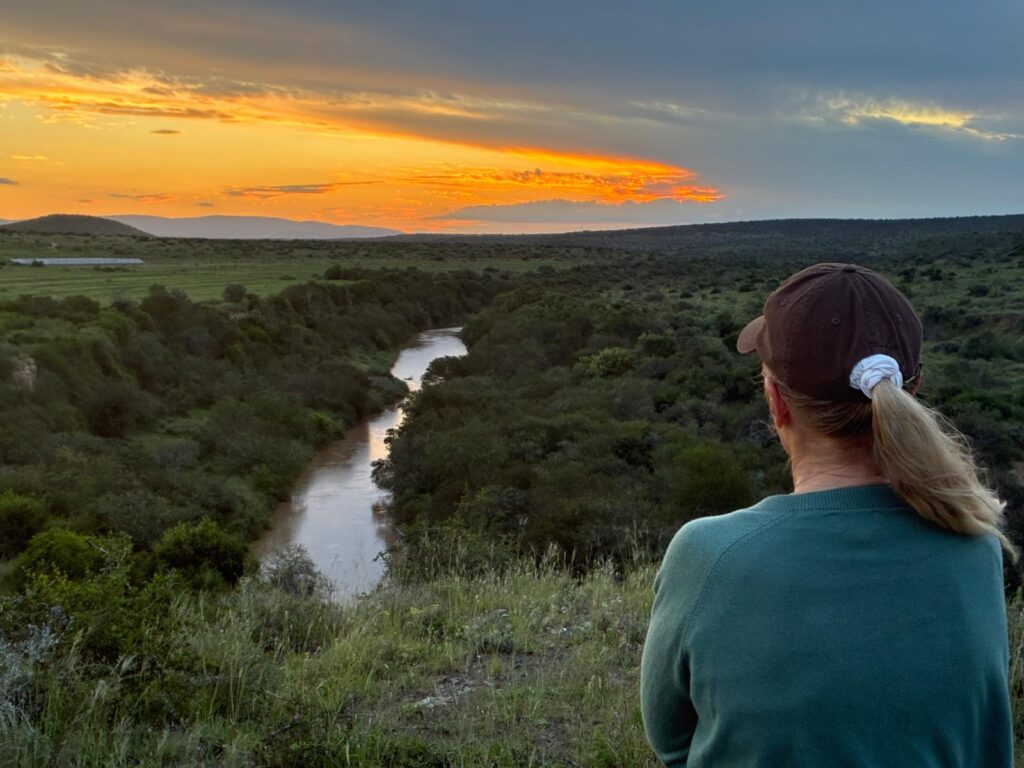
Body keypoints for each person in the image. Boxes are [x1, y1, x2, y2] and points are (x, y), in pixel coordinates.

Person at [640, 263, 1014, 767]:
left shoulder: (708, 556)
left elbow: (671, 740)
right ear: (912, 390)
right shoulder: (974, 544)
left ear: (776, 402)